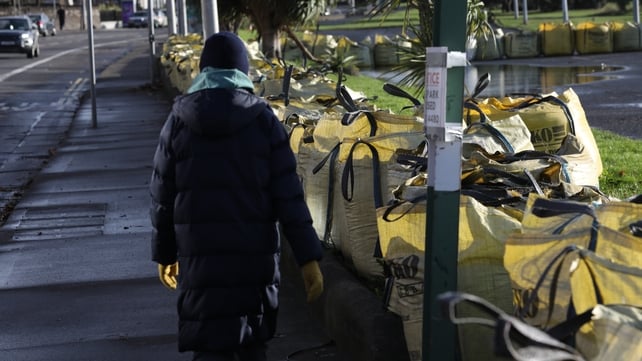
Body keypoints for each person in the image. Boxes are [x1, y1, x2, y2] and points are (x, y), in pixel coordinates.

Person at [149, 32, 324, 361]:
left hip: (201, 265)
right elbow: (289, 199)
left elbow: (162, 196)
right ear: (242, 72)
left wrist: (165, 253)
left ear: (203, 72)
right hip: (253, 267)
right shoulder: (264, 122)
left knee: (210, 347)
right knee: (251, 347)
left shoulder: (178, 123)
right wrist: (308, 258)